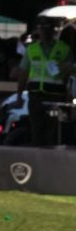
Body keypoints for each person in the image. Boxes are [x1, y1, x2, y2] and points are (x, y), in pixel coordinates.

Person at [17, 18, 73, 147]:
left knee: (52, 133)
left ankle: (50, 163)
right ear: (38, 30)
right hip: (36, 97)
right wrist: (19, 96)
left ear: (53, 30)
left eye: (48, 28)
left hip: (55, 97)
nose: (45, 31)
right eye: (42, 28)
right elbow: (23, 74)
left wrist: (68, 93)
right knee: (37, 132)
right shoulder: (31, 49)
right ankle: (37, 163)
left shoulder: (63, 49)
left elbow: (70, 73)